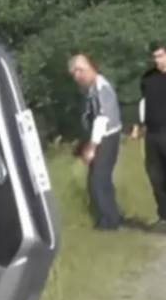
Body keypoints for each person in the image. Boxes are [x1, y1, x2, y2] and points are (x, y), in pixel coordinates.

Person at [68, 54, 123, 231]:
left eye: (80, 70)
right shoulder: (92, 88)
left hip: (107, 136)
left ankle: (108, 222)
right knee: (101, 179)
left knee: (98, 180)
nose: (78, 76)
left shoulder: (102, 88)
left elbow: (102, 119)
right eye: (74, 73)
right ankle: (111, 216)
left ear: (91, 68)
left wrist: (91, 147)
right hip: (102, 136)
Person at [133, 43, 166, 232]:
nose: (157, 61)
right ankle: (163, 216)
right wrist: (138, 125)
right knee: (155, 174)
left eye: (161, 56)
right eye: (155, 57)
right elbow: (143, 102)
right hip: (152, 132)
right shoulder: (148, 78)